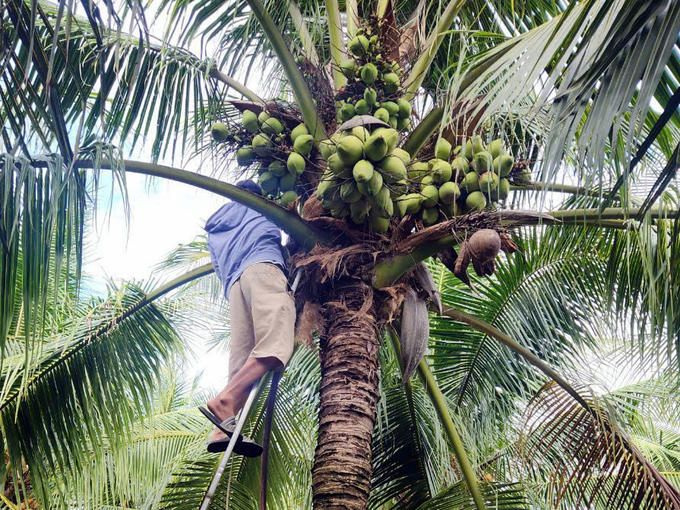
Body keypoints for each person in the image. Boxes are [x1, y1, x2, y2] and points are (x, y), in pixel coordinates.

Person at [199, 179, 295, 457]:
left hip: (235, 286)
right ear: (257, 196)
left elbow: (218, 267)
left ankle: (221, 430)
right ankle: (224, 401)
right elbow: (292, 221)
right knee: (277, 345)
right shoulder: (261, 207)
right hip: (263, 268)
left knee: (242, 362)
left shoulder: (215, 228)